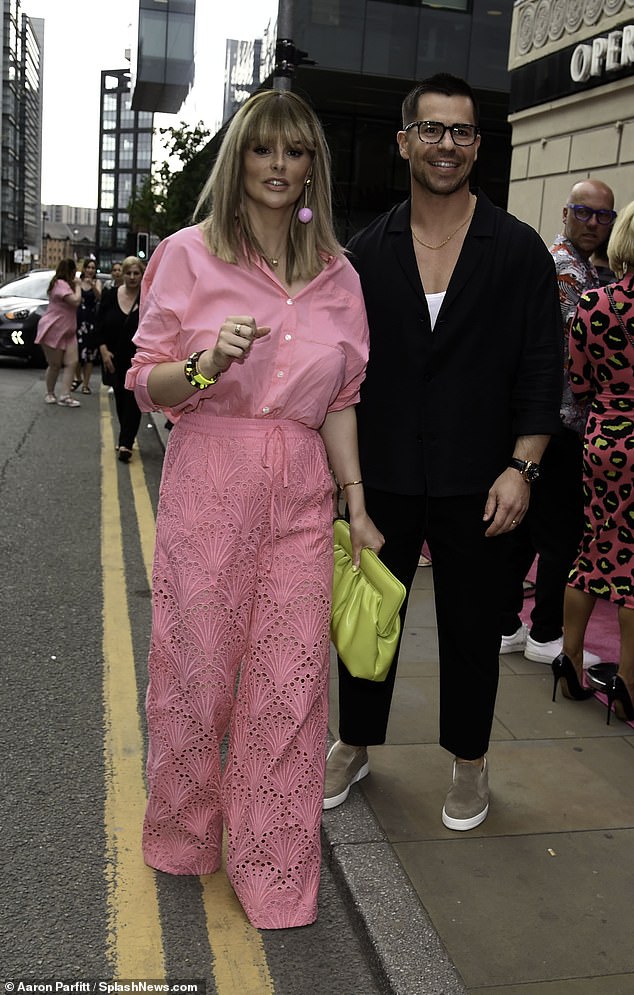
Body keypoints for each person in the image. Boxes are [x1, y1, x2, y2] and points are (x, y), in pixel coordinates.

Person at [125, 89, 383, 929]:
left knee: (292, 679)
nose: (280, 166)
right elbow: (147, 379)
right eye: (266, 149)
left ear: (314, 167)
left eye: (296, 152)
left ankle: (273, 865)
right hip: (210, 476)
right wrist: (202, 364)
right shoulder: (186, 255)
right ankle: (185, 828)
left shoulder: (341, 275)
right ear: (242, 158)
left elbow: (341, 397)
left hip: (304, 489)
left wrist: (357, 505)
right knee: (197, 671)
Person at [324, 73, 562, 831]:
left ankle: (469, 763)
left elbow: (541, 368)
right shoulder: (365, 251)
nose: (446, 145)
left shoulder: (519, 250)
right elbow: (345, 376)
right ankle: (354, 742)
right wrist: (349, 485)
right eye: (431, 130)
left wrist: (523, 466)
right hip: (387, 474)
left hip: (480, 479)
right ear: (404, 142)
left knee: (470, 630)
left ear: (478, 145)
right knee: (367, 619)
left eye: (460, 132)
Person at [499, 180, 616, 664]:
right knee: (563, 535)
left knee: (524, 530)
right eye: (584, 212)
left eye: (603, 216)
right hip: (560, 423)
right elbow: (569, 359)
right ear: (566, 212)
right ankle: (546, 633)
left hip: (545, 420)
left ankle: (507, 625)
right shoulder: (565, 270)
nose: (593, 223)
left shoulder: (581, 268)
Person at [552, 199, 634, 723]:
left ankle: (571, 658)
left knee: (595, 549)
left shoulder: (595, 303)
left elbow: (578, 383)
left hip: (602, 440)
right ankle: (627, 680)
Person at [97, 256, 144, 462]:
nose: (132, 277)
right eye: (129, 273)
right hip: (114, 358)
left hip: (139, 359)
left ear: (142, 275)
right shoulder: (109, 296)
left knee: (134, 399)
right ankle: (125, 436)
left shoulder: (148, 298)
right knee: (121, 398)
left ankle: (126, 442)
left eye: (136, 273)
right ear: (122, 274)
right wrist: (104, 351)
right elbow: (98, 325)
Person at [35, 258, 82, 407]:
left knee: (72, 362)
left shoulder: (67, 285)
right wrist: (79, 286)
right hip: (54, 329)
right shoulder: (60, 284)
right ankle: (50, 393)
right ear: (71, 271)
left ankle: (65, 395)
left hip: (68, 331)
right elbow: (75, 301)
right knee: (54, 364)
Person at [72, 258, 102, 394]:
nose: (90, 270)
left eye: (93, 268)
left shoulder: (97, 282)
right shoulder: (77, 282)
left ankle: (86, 384)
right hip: (78, 320)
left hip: (91, 322)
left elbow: (100, 297)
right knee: (77, 354)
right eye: (88, 267)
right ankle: (77, 378)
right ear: (83, 269)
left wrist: (93, 286)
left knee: (89, 355)